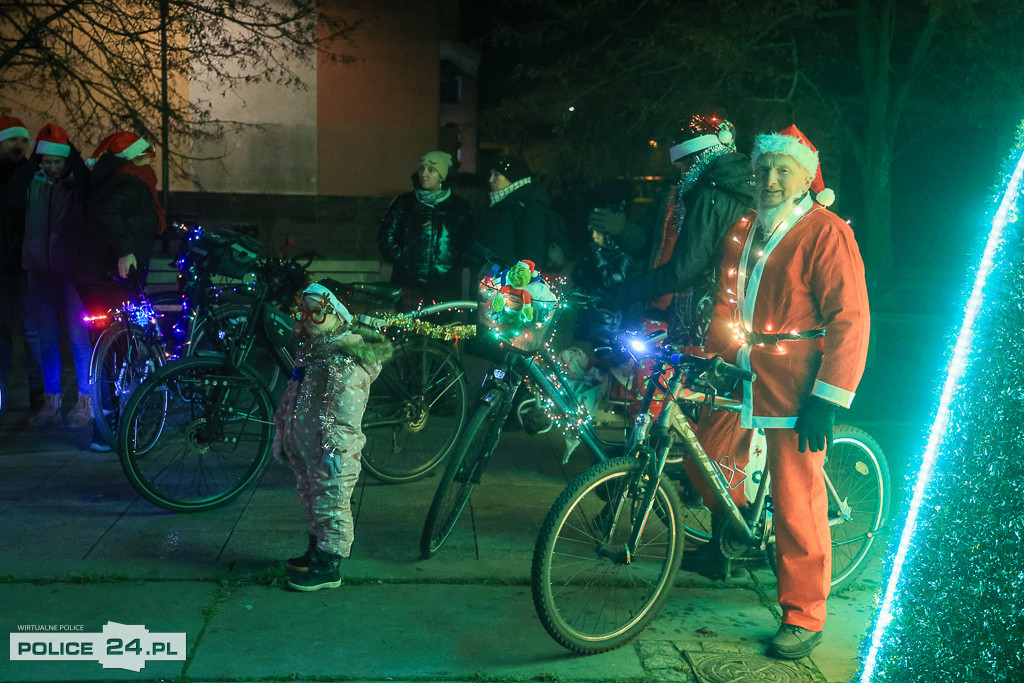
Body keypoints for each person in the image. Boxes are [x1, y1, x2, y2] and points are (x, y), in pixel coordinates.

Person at [694, 125, 870, 660]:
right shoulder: (746, 226)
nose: (769, 179)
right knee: (706, 458)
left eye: (782, 170)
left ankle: (804, 614)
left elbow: (850, 319)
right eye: (763, 169)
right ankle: (735, 536)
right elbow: (727, 297)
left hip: (797, 384)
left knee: (798, 504)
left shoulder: (826, 231)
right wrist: (714, 359)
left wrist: (827, 397)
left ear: (804, 177)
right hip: (744, 368)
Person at [594, 113, 755, 347]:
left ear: (700, 158)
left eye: (685, 166)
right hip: (708, 313)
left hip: (697, 317)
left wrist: (621, 294)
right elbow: (650, 243)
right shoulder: (678, 196)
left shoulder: (709, 195)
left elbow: (683, 271)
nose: (682, 174)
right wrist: (623, 229)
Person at [273, 278, 394, 591]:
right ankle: (316, 548)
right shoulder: (311, 351)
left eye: (317, 313)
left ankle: (329, 563)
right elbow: (292, 392)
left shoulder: (345, 360)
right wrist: (283, 431)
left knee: (332, 501)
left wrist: (333, 447)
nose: (307, 321)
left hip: (331, 452)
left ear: (337, 314)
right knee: (312, 499)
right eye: (304, 312)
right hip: (305, 443)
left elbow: (345, 412)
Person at [6, 123, 92, 427]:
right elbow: (12, 198)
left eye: (58, 161)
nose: (53, 167)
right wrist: (34, 161)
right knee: (47, 339)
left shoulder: (76, 184)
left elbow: (87, 185)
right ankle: (51, 402)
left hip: (70, 272)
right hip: (38, 270)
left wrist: (71, 153)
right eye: (47, 161)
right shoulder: (34, 182)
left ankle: (86, 402)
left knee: (78, 338)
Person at [377, 151, 475, 308]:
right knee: (407, 328)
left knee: (444, 329)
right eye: (421, 169)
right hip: (408, 282)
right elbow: (386, 236)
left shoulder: (459, 207)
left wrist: (453, 263)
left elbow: (469, 240)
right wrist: (404, 261)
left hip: (446, 284)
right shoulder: (405, 203)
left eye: (431, 170)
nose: (424, 174)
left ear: (442, 176)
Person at [0, 115, 43, 409]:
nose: (19, 145)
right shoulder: (22, 175)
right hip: (4, 266)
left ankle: (38, 390)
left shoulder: (34, 175)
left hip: (27, 264)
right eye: (13, 140)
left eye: (23, 140)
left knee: (32, 329)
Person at [475, 156, 565, 270]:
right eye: (491, 174)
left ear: (512, 177)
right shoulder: (503, 203)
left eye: (496, 175)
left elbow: (532, 251)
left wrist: (521, 282)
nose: (490, 180)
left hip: (511, 282)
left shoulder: (528, 206)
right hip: (497, 279)